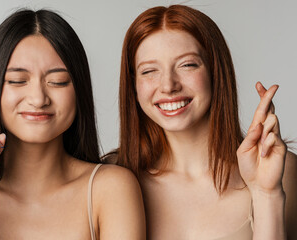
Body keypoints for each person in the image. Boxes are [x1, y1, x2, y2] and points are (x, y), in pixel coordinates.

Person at [0, 9, 145, 239]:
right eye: (17, 80)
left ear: (79, 91)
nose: (38, 99)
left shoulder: (110, 189)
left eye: (58, 81)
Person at [115, 4, 297, 239]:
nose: (168, 85)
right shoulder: (111, 177)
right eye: (149, 71)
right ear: (133, 85)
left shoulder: (282, 170)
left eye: (187, 65)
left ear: (215, 71)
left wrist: (267, 194)